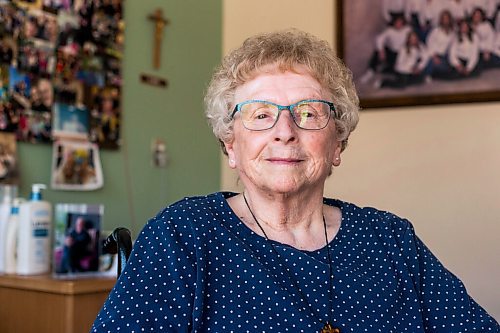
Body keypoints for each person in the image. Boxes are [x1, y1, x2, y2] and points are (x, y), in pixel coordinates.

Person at [91, 30, 499, 332]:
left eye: (307, 112)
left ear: (337, 143)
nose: (284, 130)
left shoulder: (391, 240)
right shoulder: (185, 235)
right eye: (261, 114)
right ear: (230, 144)